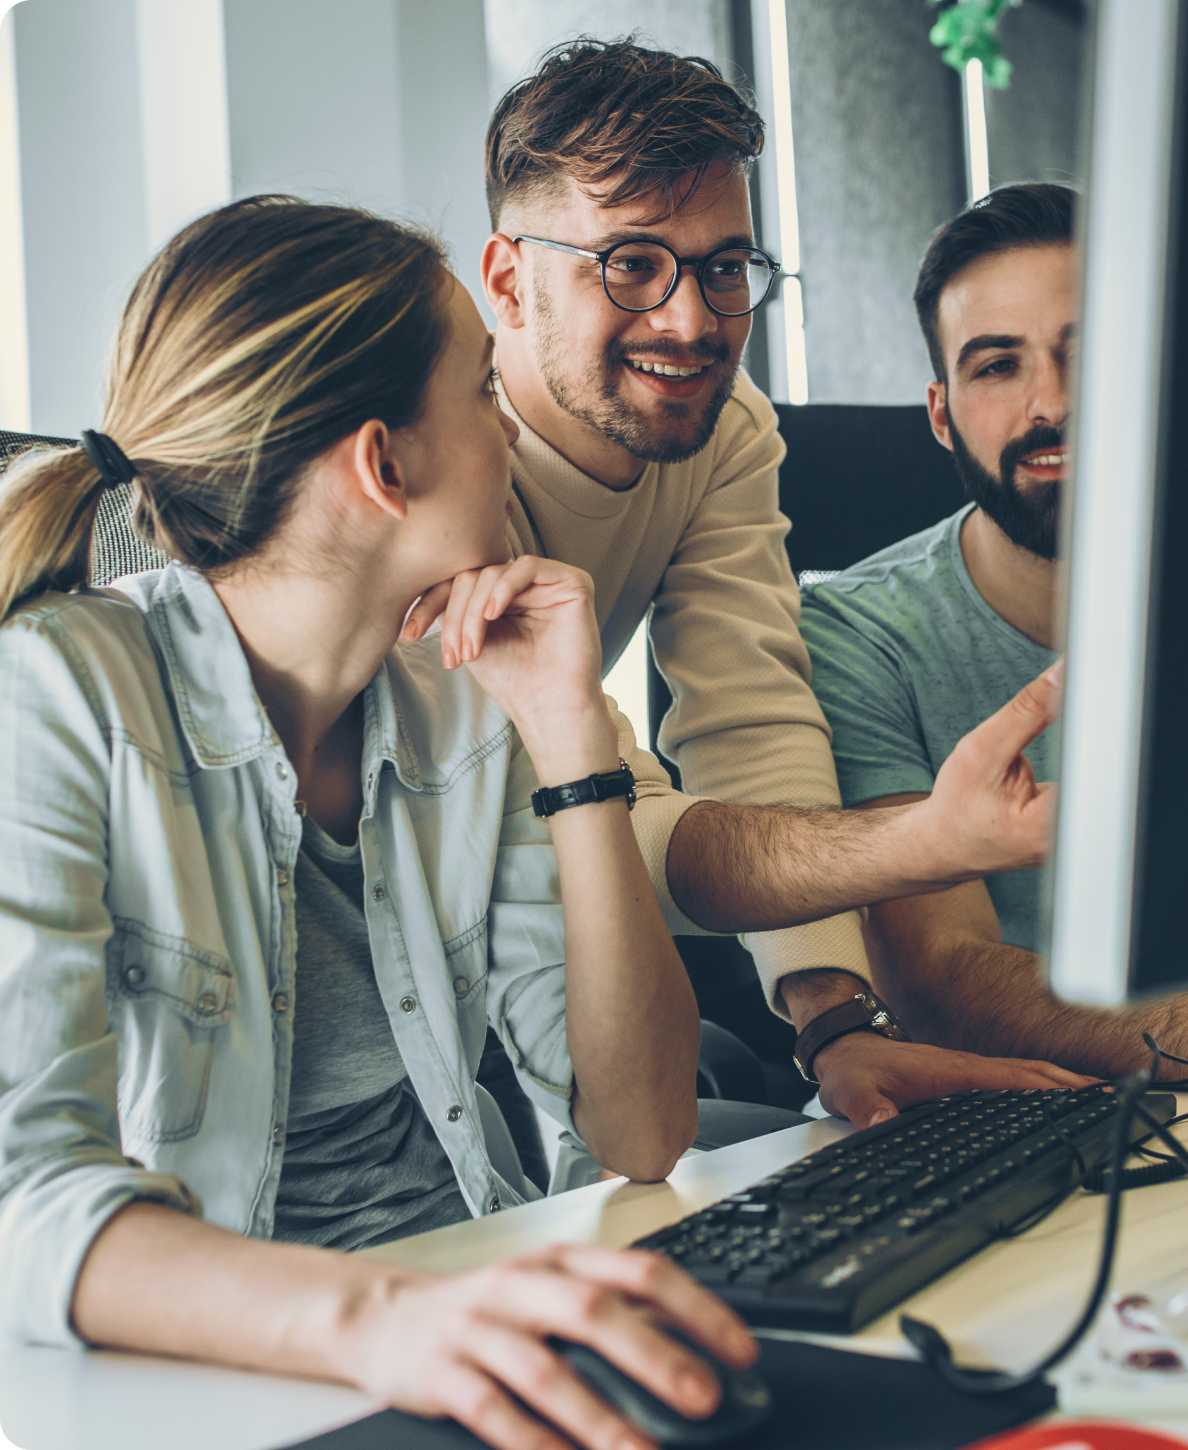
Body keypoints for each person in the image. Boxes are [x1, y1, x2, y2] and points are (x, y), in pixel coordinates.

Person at [0, 194, 765, 1444]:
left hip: (461, 1317)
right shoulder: (53, 698)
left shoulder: (461, 703)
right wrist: (387, 1320)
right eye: (481, 389)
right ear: (384, 462)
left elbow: (638, 1128)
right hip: (231, 1376)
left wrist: (569, 732)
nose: (510, 425)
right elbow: (22, 1199)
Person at [472, 40, 1072, 1127]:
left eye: (722, 266)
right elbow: (591, 815)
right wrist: (919, 843)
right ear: (511, 282)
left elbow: (749, 722)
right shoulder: (438, 464)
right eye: (631, 264)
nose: (692, 321)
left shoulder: (724, 425)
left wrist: (834, 1022)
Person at [800, 182, 1188, 1080]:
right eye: (997, 366)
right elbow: (942, 981)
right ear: (942, 415)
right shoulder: (857, 635)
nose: (1049, 404)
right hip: (1034, 1128)